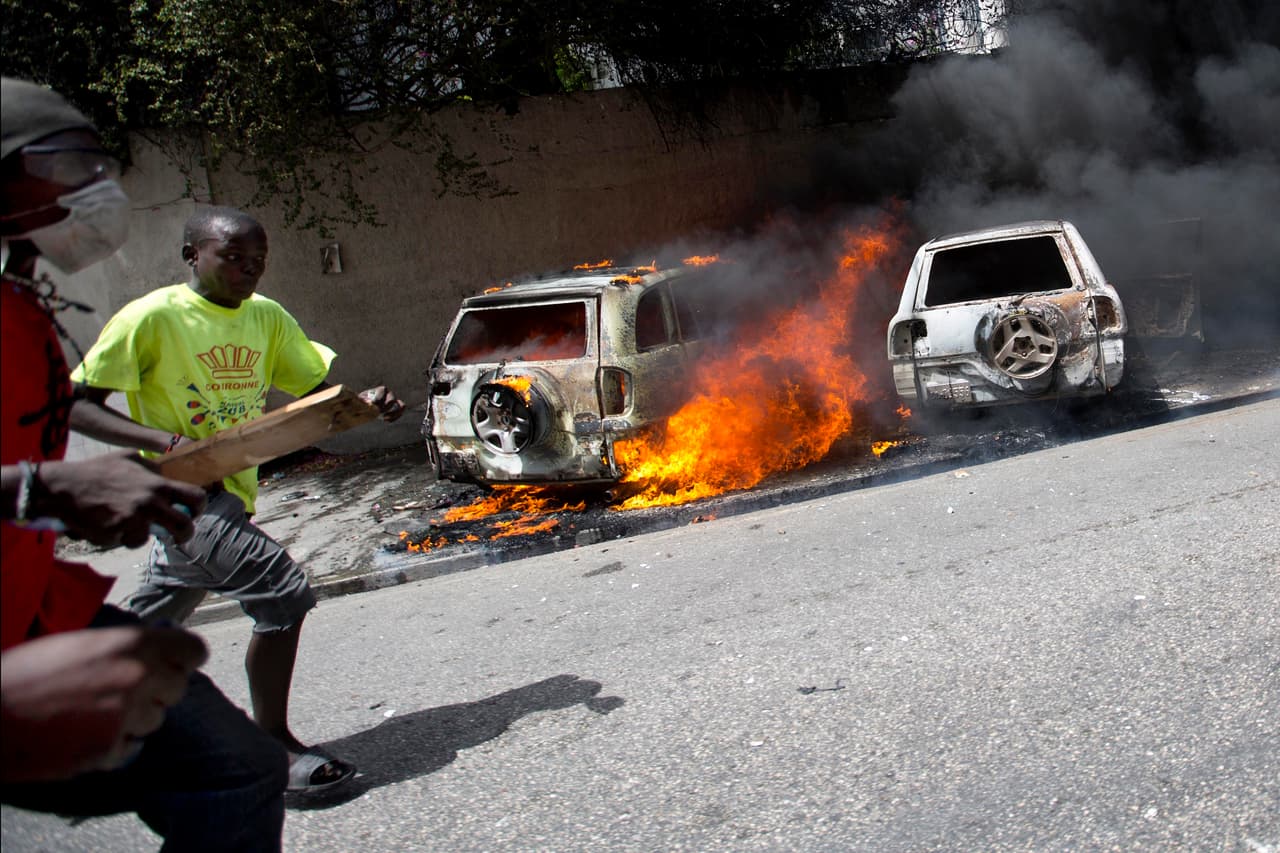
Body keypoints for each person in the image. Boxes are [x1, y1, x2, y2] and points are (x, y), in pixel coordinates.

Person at [1, 76, 288, 849]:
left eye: (95, 168)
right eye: (62, 168)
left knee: (237, 770)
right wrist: (39, 488)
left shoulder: (23, 298)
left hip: (33, 611)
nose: (92, 191)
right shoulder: (140, 313)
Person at [70, 203, 406, 794]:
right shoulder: (150, 318)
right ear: (191, 256)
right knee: (282, 592)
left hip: (231, 492)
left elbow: (315, 394)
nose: (248, 270)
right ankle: (270, 749)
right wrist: (160, 440)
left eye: (258, 261)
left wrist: (367, 402)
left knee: (150, 631)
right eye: (232, 257)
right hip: (183, 494)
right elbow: (76, 404)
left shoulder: (266, 318)